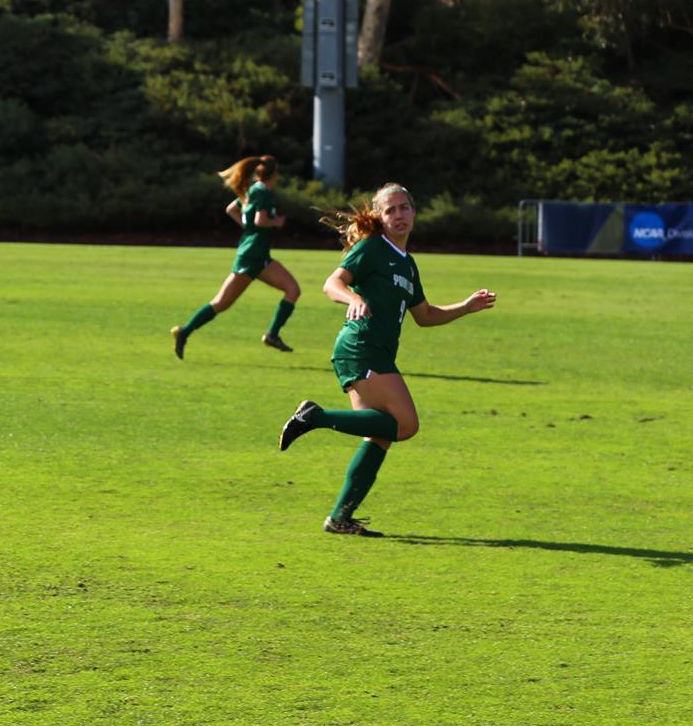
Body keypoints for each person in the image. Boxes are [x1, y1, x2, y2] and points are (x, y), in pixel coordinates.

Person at [277, 183, 498, 536]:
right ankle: (314, 416)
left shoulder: (408, 265)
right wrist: (350, 298)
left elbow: (424, 315)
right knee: (406, 424)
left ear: (414, 212)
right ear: (379, 217)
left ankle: (340, 518)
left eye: (404, 208)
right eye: (390, 210)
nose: (399, 215)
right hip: (360, 347)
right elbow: (332, 283)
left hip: (375, 352)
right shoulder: (372, 249)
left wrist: (465, 308)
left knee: (379, 435)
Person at [174, 155, 302, 359]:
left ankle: (272, 334)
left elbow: (232, 209)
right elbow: (261, 221)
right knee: (221, 303)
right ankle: (185, 331)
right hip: (252, 256)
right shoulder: (263, 192)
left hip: (258, 255)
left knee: (293, 289)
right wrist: (276, 222)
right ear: (274, 174)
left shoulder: (253, 190)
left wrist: (247, 227)